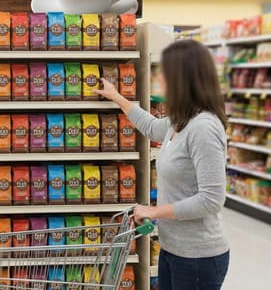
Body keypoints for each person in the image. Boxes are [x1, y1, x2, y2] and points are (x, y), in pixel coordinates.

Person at [96, 40, 229, 290]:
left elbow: (212, 199)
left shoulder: (203, 128)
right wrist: (116, 97)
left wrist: (153, 212)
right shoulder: (181, 120)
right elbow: (151, 126)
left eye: (165, 73)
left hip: (198, 257)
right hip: (173, 249)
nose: (160, 79)